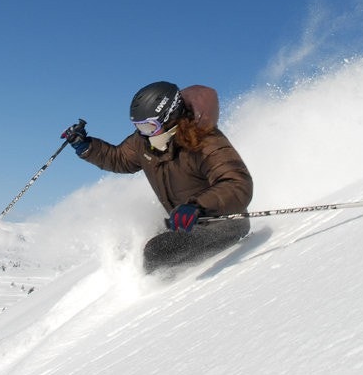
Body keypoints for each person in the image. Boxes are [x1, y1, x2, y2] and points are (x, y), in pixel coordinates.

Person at [62, 81, 253, 273]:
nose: (143, 133)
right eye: (138, 127)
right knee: (130, 248)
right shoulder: (146, 142)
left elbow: (237, 183)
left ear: (170, 117)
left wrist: (198, 206)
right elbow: (120, 158)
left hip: (222, 224)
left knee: (155, 252)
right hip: (188, 224)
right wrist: (86, 146)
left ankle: (152, 295)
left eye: (148, 126)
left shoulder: (206, 141)